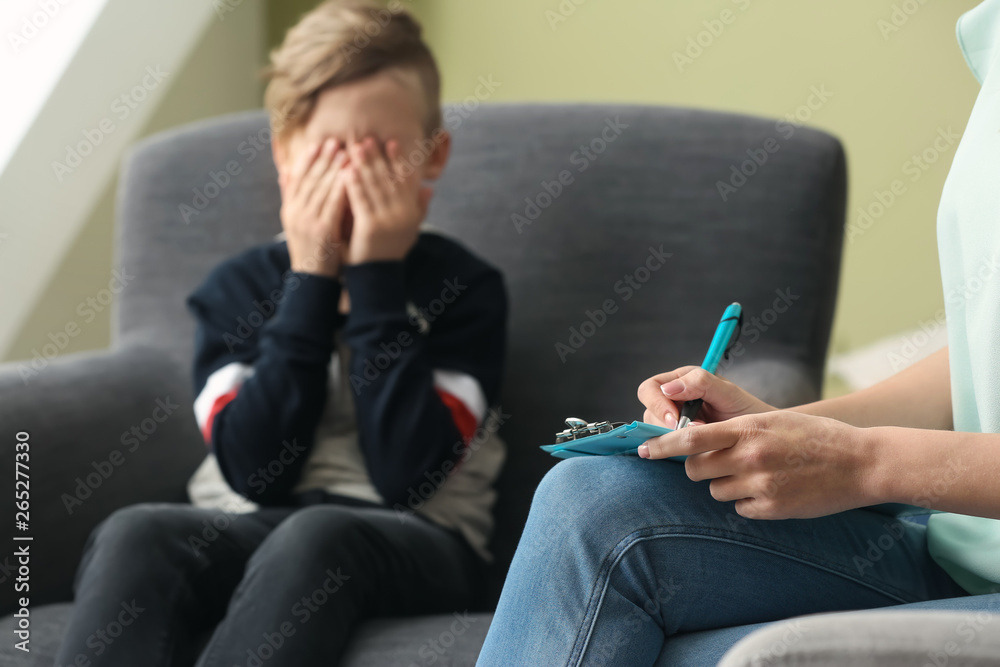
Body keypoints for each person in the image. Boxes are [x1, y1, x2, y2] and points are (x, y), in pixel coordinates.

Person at [476, 2, 1000, 665]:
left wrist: (868, 462)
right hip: (960, 553)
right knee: (596, 502)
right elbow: (981, 356)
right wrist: (778, 430)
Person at [55, 2, 507, 665]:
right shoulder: (236, 290)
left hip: (421, 538)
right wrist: (312, 282)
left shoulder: (465, 289)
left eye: (380, 154)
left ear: (431, 155)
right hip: (248, 522)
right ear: (285, 158)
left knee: (317, 534)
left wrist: (377, 276)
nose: (352, 180)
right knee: (137, 530)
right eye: (328, 154)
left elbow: (408, 476)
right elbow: (255, 470)